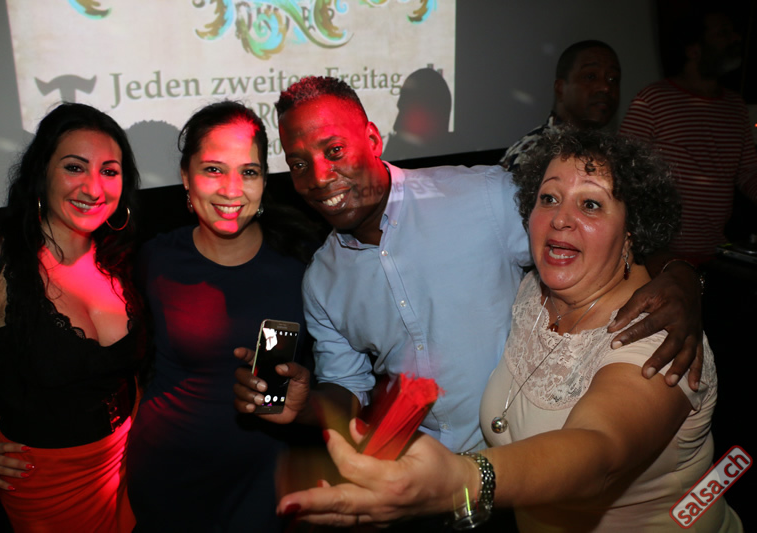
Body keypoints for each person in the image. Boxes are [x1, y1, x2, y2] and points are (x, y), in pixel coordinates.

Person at [276, 130, 742, 532]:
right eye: (549, 198)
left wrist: (462, 479)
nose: (561, 218)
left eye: (591, 204)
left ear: (632, 230)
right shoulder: (531, 295)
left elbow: (599, 452)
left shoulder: (657, 333)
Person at [235, 76, 705, 457]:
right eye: (299, 164)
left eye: (335, 151)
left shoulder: (483, 196)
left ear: (373, 139)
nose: (319, 177)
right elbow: (348, 387)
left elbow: (597, 237)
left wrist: (680, 276)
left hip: (531, 456)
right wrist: (305, 407)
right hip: (423, 470)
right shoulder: (322, 281)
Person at [126, 101, 320, 532]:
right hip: (166, 479)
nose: (232, 190)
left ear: (264, 181)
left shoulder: (304, 264)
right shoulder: (155, 259)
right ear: (185, 177)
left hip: (262, 487)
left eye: (248, 172)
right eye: (213, 169)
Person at [0, 102, 143, 532]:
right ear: (42, 172)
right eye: (75, 167)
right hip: (46, 488)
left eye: (110, 171)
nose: (93, 188)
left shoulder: (116, 258)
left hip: (126, 467)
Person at [619, 9, 757, 264]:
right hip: (660, 259)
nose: (735, 38)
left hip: (715, 254)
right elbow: (622, 169)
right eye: (723, 33)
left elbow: (748, 173)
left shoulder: (735, 106)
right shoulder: (653, 99)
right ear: (694, 50)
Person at [500, 40, 621, 171]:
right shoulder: (536, 155)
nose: (605, 87)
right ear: (560, 89)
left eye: (613, 79)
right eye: (591, 76)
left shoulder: (609, 151)